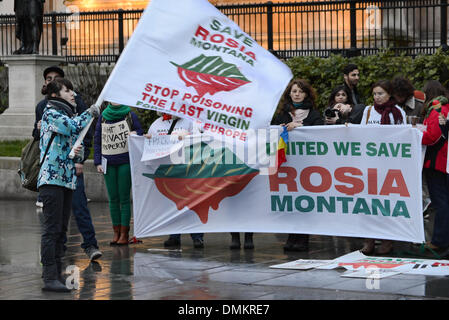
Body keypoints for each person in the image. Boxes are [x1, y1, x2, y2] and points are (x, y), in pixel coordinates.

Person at [33, 65, 102, 262]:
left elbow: (74, 140)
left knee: (62, 228)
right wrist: (90, 113)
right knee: (52, 228)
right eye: (67, 91)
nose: (72, 94)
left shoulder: (69, 110)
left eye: (72, 90)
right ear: (55, 94)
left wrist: (78, 156)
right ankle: (49, 273)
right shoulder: (50, 112)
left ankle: (58, 269)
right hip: (53, 179)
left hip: (67, 178)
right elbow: (71, 127)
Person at [271, 78, 323, 252]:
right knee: (291, 201)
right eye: (294, 91)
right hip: (289, 165)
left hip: (308, 165)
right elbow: (272, 131)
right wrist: (283, 127)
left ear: (306, 94)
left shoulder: (315, 114)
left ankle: (303, 237)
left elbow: (319, 132)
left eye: (300, 91)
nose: (297, 94)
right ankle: (291, 235)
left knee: (305, 201)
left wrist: (299, 127)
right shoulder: (281, 114)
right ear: (289, 94)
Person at [144, 112, 205, 249]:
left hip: (187, 168)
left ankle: (197, 236)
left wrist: (188, 137)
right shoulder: (156, 124)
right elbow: (152, 145)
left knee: (193, 202)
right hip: (168, 170)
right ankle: (174, 235)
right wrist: (147, 139)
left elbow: (199, 139)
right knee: (172, 203)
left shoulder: (189, 121)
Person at [360, 80, 406, 255]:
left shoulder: (397, 112)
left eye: (380, 94)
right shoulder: (368, 111)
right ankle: (369, 240)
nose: (377, 97)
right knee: (368, 202)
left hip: (389, 165)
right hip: (370, 163)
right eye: (374, 94)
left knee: (386, 203)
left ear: (389, 94)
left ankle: (387, 241)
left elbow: (401, 137)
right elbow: (361, 133)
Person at [94, 102, 143, 246]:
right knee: (113, 199)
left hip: (125, 162)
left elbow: (140, 133)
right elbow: (97, 141)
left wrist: (135, 133)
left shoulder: (130, 115)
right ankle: (116, 231)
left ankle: (124, 233)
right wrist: (97, 162)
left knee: (124, 199)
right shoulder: (103, 117)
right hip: (107, 162)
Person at [420, 80, 449, 256]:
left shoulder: (437, 109)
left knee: (441, 202)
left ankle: (439, 240)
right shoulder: (444, 107)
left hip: (436, 161)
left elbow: (432, 136)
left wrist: (415, 133)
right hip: (442, 160)